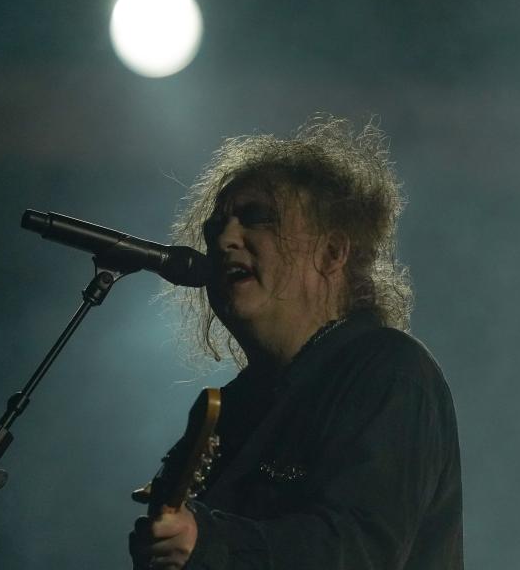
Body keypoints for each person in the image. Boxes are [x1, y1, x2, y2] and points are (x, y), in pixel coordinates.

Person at [129, 116, 463, 570]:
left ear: (332, 252)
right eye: (215, 229)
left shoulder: (388, 371)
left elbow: (362, 550)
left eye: (257, 218)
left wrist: (210, 543)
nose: (224, 239)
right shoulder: (228, 407)